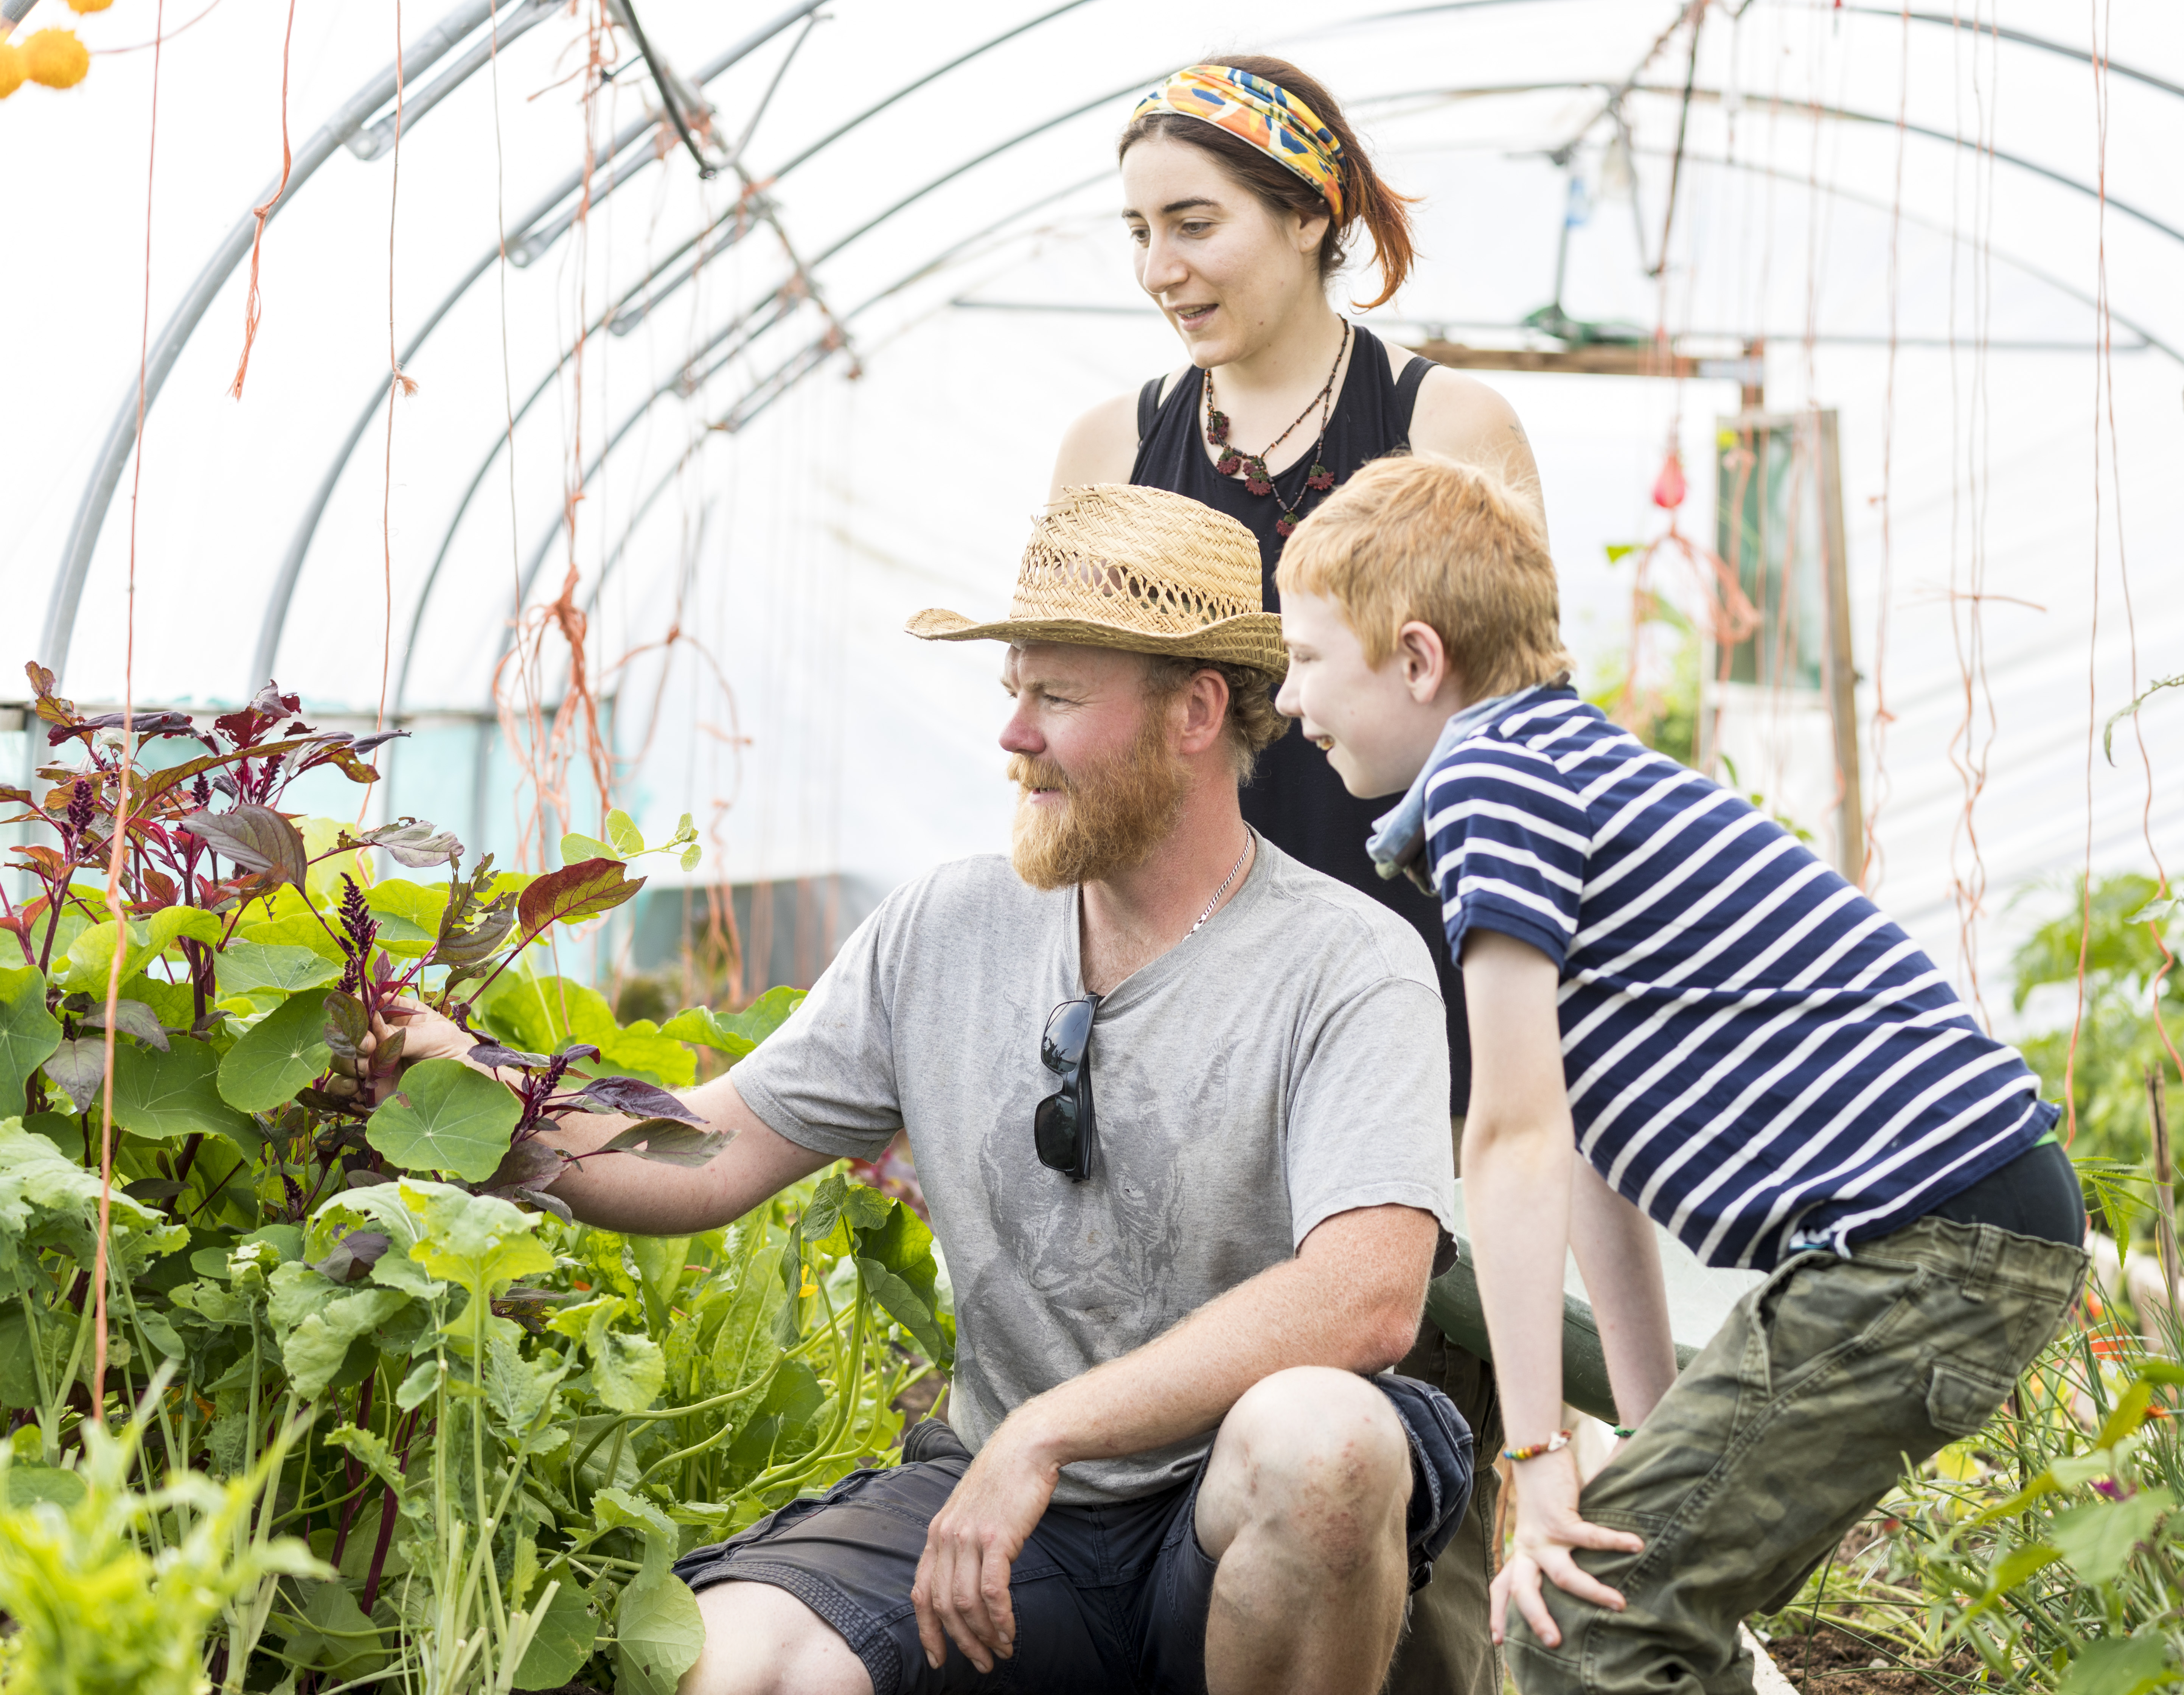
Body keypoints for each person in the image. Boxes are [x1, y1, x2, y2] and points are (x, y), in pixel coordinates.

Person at [374, 484, 1474, 1695]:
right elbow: (703, 1153)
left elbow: (1368, 1298)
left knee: (1326, 1444)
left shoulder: (1346, 962)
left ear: (1196, 712)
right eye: (1013, 691)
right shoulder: (949, 927)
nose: (1013, 735)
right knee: (741, 1668)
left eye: (1056, 697)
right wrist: (471, 1083)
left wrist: (1047, 1432)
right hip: (1002, 1519)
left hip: (1218, 1518)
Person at [1270, 454, 2092, 1695]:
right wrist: (1652, 1430)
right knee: (1628, 1598)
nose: (1288, 700)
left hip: (1930, 1240)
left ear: (1419, 659)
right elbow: (1595, 1143)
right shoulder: (1550, 765)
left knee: (1583, 1619)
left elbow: (1514, 1137)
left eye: (1308, 659)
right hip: (1956, 1231)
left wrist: (1537, 1451)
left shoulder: (1492, 781)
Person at [1049, 59, 1535, 1691]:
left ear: (1312, 215)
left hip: (1410, 988)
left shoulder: (1444, 424)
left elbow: (1519, 740)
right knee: (1191, 1402)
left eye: (1195, 223)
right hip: (1185, 996)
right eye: (1135, 232)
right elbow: (1067, 736)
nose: (1161, 267)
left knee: (1411, 1411)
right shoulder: (1112, 444)